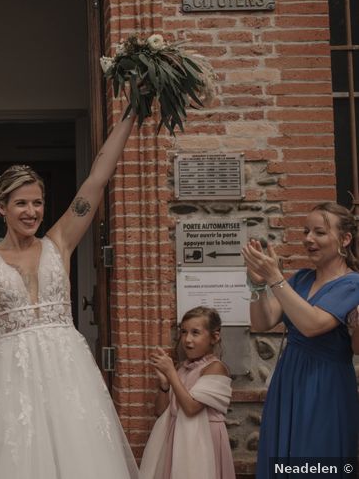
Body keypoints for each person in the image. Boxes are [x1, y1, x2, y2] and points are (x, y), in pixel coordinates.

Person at [0, 113, 139, 478]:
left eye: (37, 202)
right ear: (1, 208)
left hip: (68, 372)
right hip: (11, 378)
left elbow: (97, 178)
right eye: (21, 203)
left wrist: (131, 113)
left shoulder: (59, 242)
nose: (31, 212)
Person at [242, 202, 359, 478]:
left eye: (319, 232)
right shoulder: (302, 279)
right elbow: (263, 321)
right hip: (289, 380)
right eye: (306, 231)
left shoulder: (352, 284)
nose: (308, 239)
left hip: (325, 386)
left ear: (345, 239)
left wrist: (275, 277)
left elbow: (312, 324)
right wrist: (258, 284)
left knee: (317, 461)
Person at [140, 306, 234, 479]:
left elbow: (191, 408)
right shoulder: (182, 369)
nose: (187, 339)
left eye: (195, 333)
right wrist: (164, 384)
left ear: (214, 337)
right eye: (183, 332)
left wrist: (171, 374)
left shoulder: (215, 368)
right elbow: (160, 412)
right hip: (178, 439)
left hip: (202, 442)